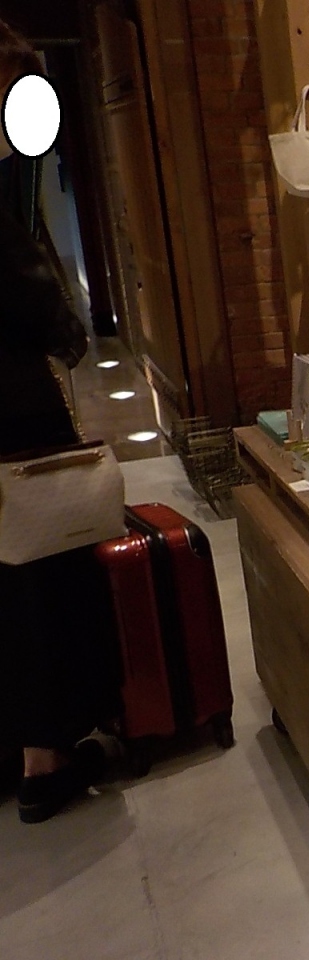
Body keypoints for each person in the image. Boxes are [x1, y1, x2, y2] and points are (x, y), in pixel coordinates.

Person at [0, 17, 118, 822]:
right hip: (9, 410)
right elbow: (27, 292)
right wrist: (66, 333)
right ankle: (45, 760)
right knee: (38, 571)